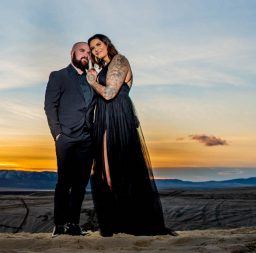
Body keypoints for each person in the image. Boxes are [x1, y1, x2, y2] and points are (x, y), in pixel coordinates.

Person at [85, 34, 174, 237]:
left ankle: (133, 223)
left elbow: (109, 94)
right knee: (107, 173)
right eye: (92, 48)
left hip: (117, 116)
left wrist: (92, 82)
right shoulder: (106, 67)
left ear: (107, 44)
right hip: (106, 117)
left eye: (98, 44)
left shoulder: (119, 60)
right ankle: (120, 222)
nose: (95, 49)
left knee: (120, 172)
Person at [44, 42, 94, 237]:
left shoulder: (91, 78)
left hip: (88, 138)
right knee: (64, 182)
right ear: (72, 53)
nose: (85, 56)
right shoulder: (58, 76)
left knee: (81, 183)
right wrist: (57, 134)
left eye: (88, 53)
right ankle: (59, 225)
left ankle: (73, 224)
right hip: (66, 137)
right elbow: (50, 106)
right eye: (82, 51)